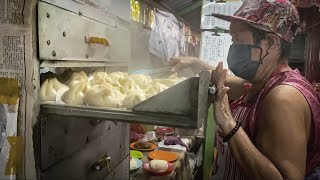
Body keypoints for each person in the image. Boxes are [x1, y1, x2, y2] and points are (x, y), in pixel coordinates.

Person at [169, 0, 320, 179]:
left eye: (238, 39)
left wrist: (228, 123)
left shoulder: (283, 98)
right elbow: (224, 79)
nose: (233, 47)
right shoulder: (262, 84)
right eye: (233, 39)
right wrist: (196, 64)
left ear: (271, 43)